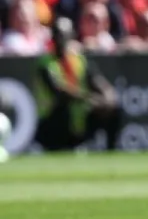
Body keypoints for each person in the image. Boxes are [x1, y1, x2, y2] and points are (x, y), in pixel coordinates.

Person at [32, 21, 123, 152]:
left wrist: (108, 97)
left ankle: (111, 151)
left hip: (79, 120)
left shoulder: (80, 61)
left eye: (64, 35)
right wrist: (89, 98)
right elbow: (59, 91)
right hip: (52, 122)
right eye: (57, 35)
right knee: (64, 108)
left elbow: (98, 82)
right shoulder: (45, 63)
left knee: (113, 107)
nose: (60, 39)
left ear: (71, 36)